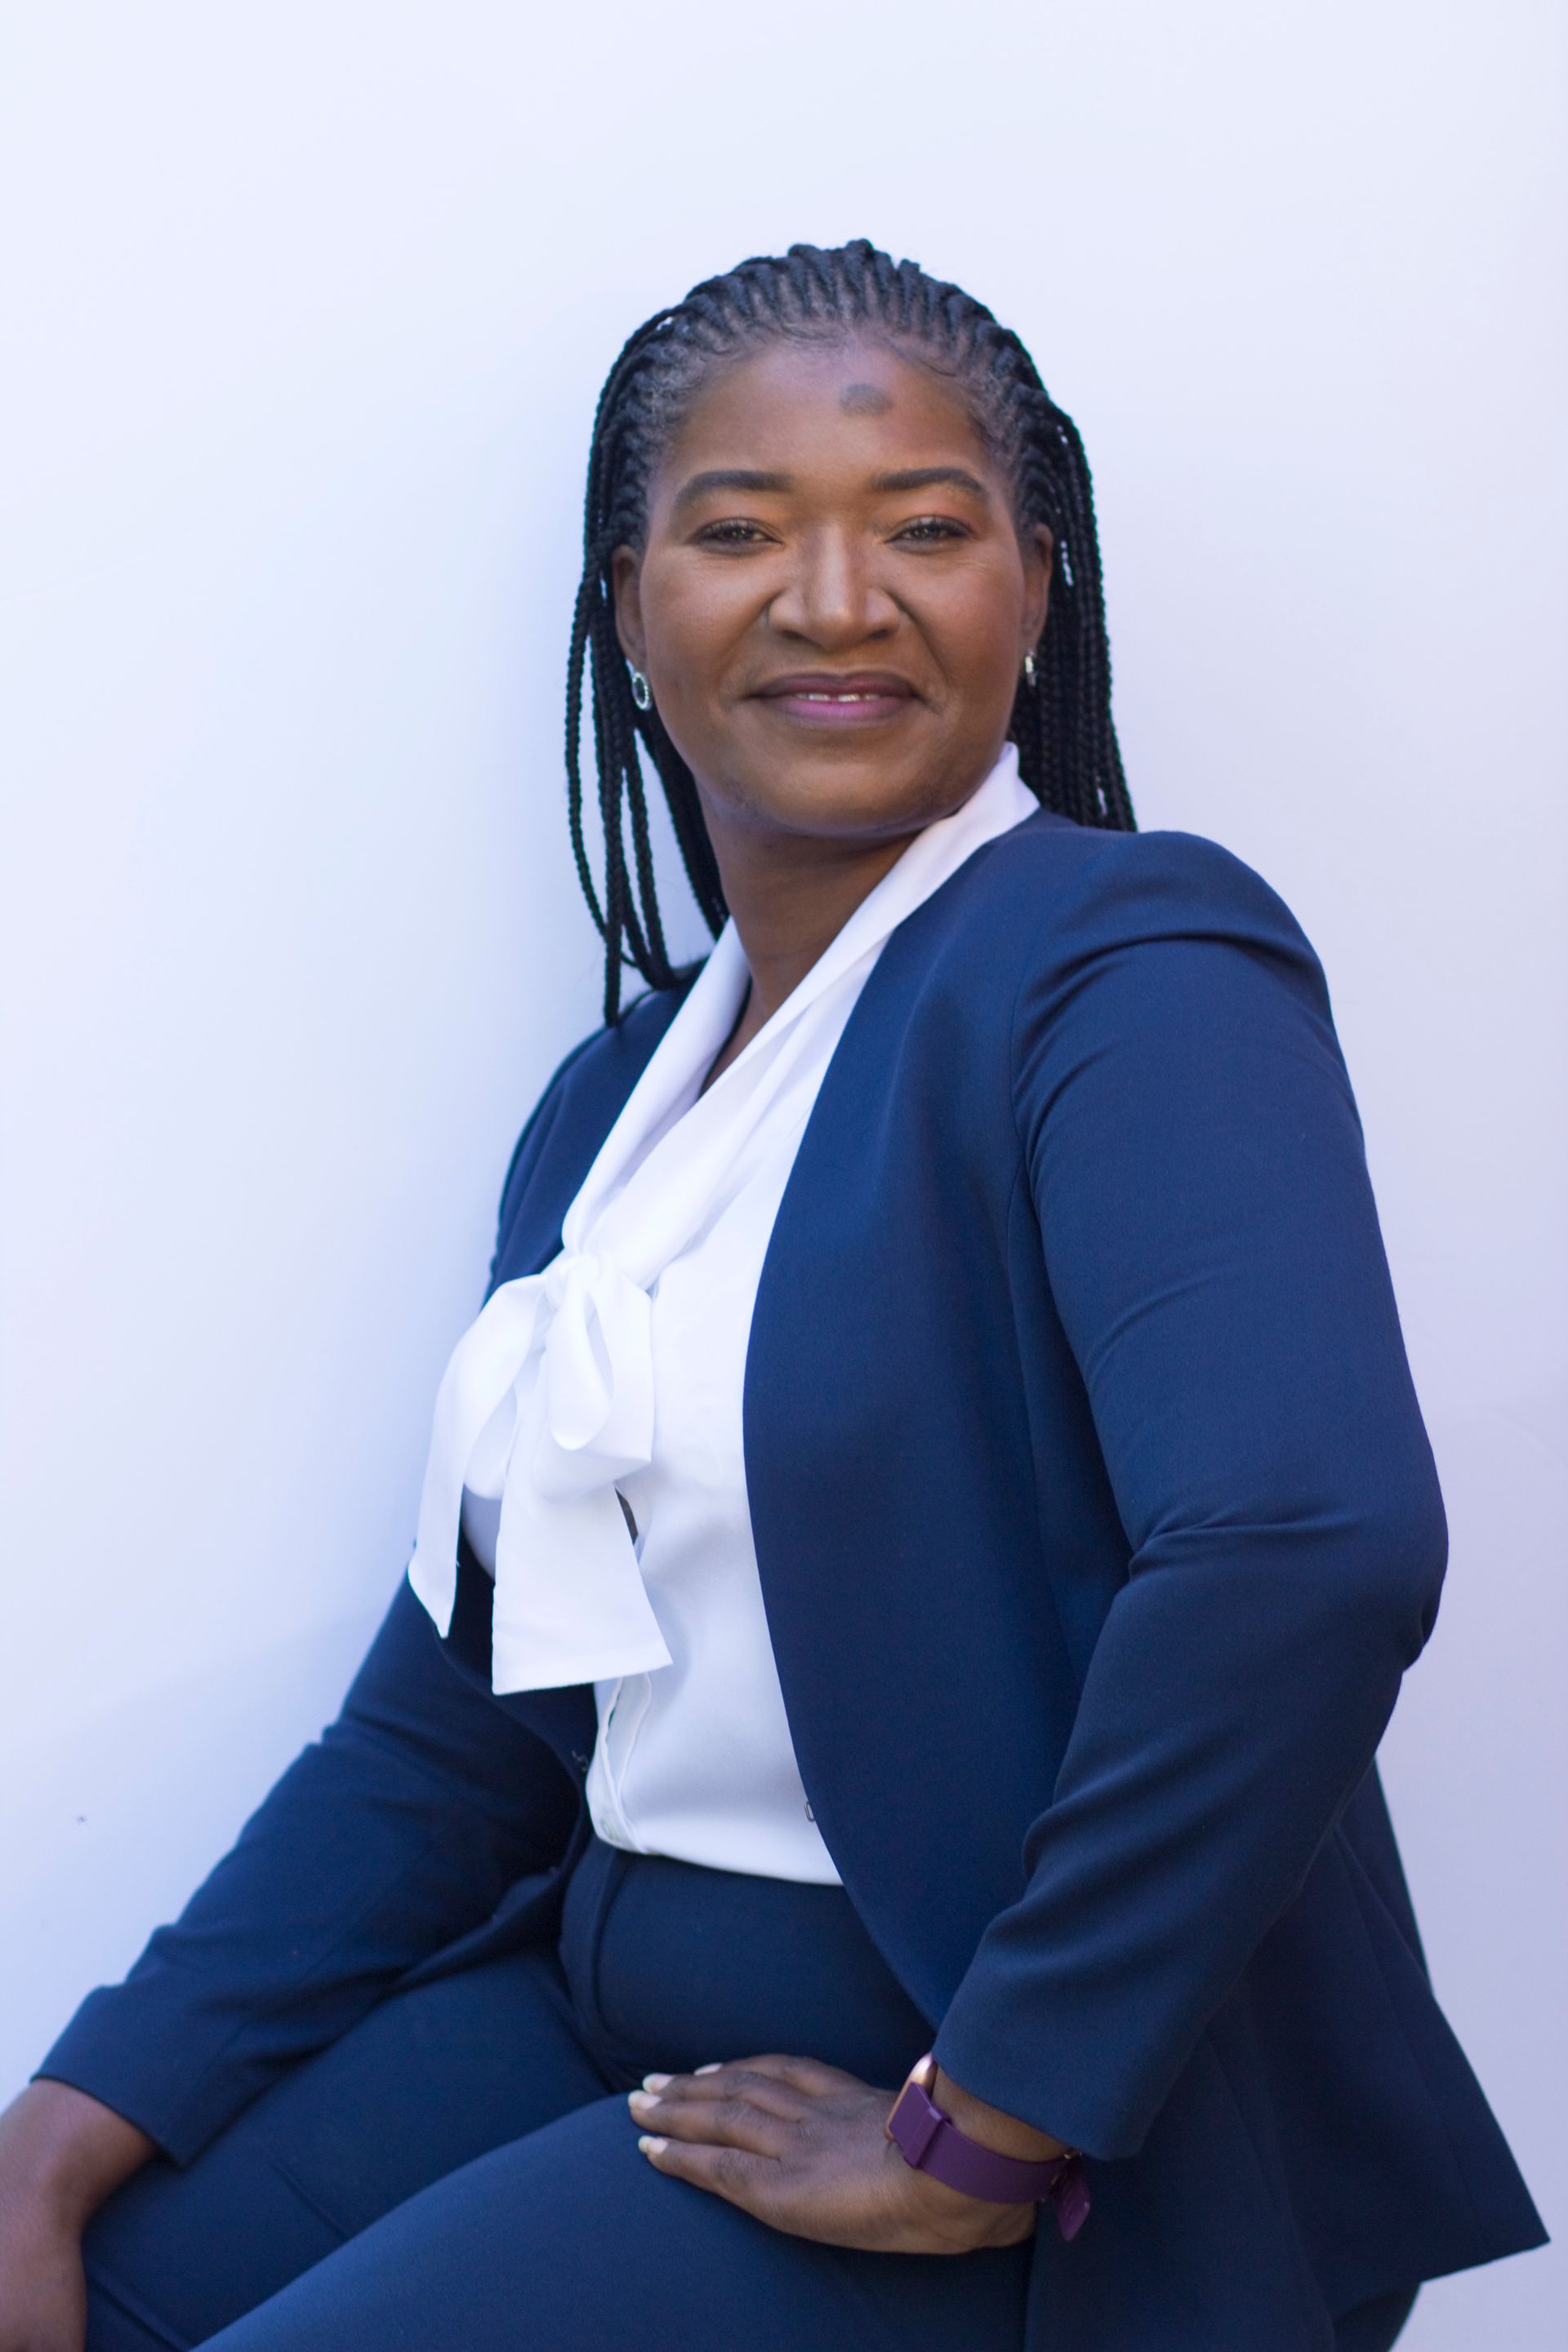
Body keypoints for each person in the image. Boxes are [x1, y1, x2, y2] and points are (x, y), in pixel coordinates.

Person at [0, 240, 1544, 2352]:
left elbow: (1304, 1543)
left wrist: (993, 2123)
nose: (838, 600)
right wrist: (82, 2112)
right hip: (609, 2007)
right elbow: (465, 1723)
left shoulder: (1123, 972)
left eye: (928, 528)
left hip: (981, 2092)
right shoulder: (619, 1106)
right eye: (740, 534)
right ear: (633, 615)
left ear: (1037, 589)